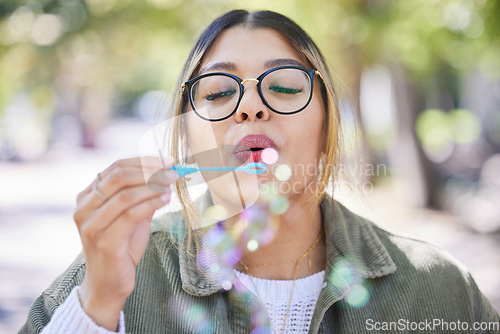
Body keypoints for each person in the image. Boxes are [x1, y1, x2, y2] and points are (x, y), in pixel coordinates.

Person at [19, 9, 499, 334]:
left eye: (286, 87)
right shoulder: (107, 274)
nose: (248, 106)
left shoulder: (440, 290)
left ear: (329, 122)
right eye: (218, 92)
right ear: (187, 132)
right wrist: (98, 304)